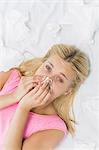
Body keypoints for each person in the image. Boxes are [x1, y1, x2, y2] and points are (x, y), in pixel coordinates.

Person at [0, 44, 90, 150]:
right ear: (41, 64)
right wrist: (13, 97)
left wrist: (23, 108)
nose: (48, 79)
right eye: (48, 68)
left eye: (60, 79)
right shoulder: (12, 77)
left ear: (67, 91)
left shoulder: (53, 127)